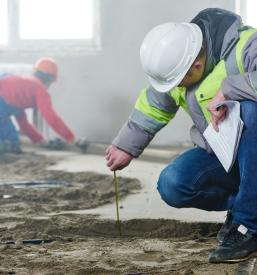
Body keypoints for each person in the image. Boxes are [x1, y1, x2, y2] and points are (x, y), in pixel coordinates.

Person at [106, 8, 257, 263]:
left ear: (196, 65)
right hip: (226, 154)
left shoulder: (246, 45)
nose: (175, 88)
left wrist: (230, 89)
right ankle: (248, 203)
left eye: (178, 82)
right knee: (174, 184)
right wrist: (126, 146)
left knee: (251, 110)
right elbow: (153, 105)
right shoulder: (179, 65)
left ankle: (248, 226)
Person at [0, 57, 75, 152]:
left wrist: (41, 141)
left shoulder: (21, 92)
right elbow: (52, 118)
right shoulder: (40, 89)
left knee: (13, 143)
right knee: (7, 146)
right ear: (49, 80)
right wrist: (71, 138)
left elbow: (24, 125)